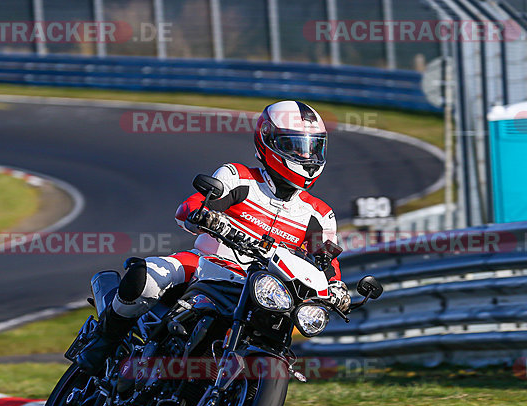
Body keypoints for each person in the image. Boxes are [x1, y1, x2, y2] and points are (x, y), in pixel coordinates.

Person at [77, 100, 350, 374]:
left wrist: (337, 288)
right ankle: (102, 342)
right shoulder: (238, 178)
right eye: (294, 146)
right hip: (206, 266)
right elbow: (190, 207)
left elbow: (327, 263)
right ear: (268, 141)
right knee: (146, 277)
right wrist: (205, 215)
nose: (306, 157)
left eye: (313, 147)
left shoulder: (319, 214)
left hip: (265, 291)